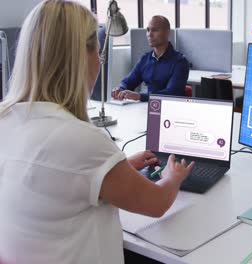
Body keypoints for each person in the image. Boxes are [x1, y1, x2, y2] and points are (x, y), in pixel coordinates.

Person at [0, 1, 194, 264]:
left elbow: (56, 177)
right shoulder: (80, 140)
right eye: (97, 52)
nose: (100, 61)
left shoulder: (6, 118)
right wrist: (172, 177)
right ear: (81, 57)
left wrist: (116, 167)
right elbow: (157, 203)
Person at [112, 15, 190, 102]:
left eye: (155, 30)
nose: (149, 34)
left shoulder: (180, 62)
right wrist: (120, 88)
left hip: (170, 110)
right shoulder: (145, 59)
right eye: (148, 30)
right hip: (147, 107)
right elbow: (128, 81)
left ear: (167, 33)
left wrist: (140, 96)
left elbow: (171, 93)